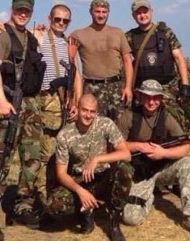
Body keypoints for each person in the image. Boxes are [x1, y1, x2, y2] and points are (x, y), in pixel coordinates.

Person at [0, 0, 46, 241]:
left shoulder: (30, 38)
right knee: (1, 158)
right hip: (8, 104)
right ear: (12, 9)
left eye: (27, 11)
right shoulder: (0, 34)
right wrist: (2, 101)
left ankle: (22, 206)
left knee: (31, 159)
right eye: (19, 9)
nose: (22, 14)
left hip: (31, 106)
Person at [117, 80, 190, 238]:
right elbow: (116, 146)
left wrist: (163, 154)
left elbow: (186, 148)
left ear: (160, 99)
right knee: (130, 218)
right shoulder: (128, 116)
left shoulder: (166, 117)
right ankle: (148, 197)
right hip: (139, 174)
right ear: (140, 97)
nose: (151, 102)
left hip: (162, 170)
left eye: (155, 98)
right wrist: (138, 146)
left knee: (188, 164)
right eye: (147, 97)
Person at [47, 94, 133, 241]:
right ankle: (85, 213)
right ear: (77, 109)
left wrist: (98, 159)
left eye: (92, 111)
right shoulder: (65, 135)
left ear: (96, 112)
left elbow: (126, 154)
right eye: (85, 110)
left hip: (103, 178)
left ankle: (113, 223)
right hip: (79, 180)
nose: (88, 115)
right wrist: (80, 191)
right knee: (55, 206)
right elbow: (61, 174)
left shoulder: (105, 124)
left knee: (125, 169)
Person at [125, 0, 190, 120]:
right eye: (138, 13)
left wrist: (185, 85)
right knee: (142, 125)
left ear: (151, 12)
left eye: (145, 11)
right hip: (143, 90)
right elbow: (126, 62)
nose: (142, 15)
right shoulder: (129, 37)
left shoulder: (165, 32)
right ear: (133, 16)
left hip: (166, 88)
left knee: (174, 124)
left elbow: (178, 58)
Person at [69, 0, 133, 121]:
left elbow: (127, 60)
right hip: (92, 88)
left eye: (104, 12)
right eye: (97, 11)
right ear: (90, 12)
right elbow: (68, 58)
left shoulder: (118, 33)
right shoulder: (78, 34)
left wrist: (128, 87)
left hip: (116, 87)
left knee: (120, 125)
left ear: (108, 12)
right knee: (93, 126)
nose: (101, 15)